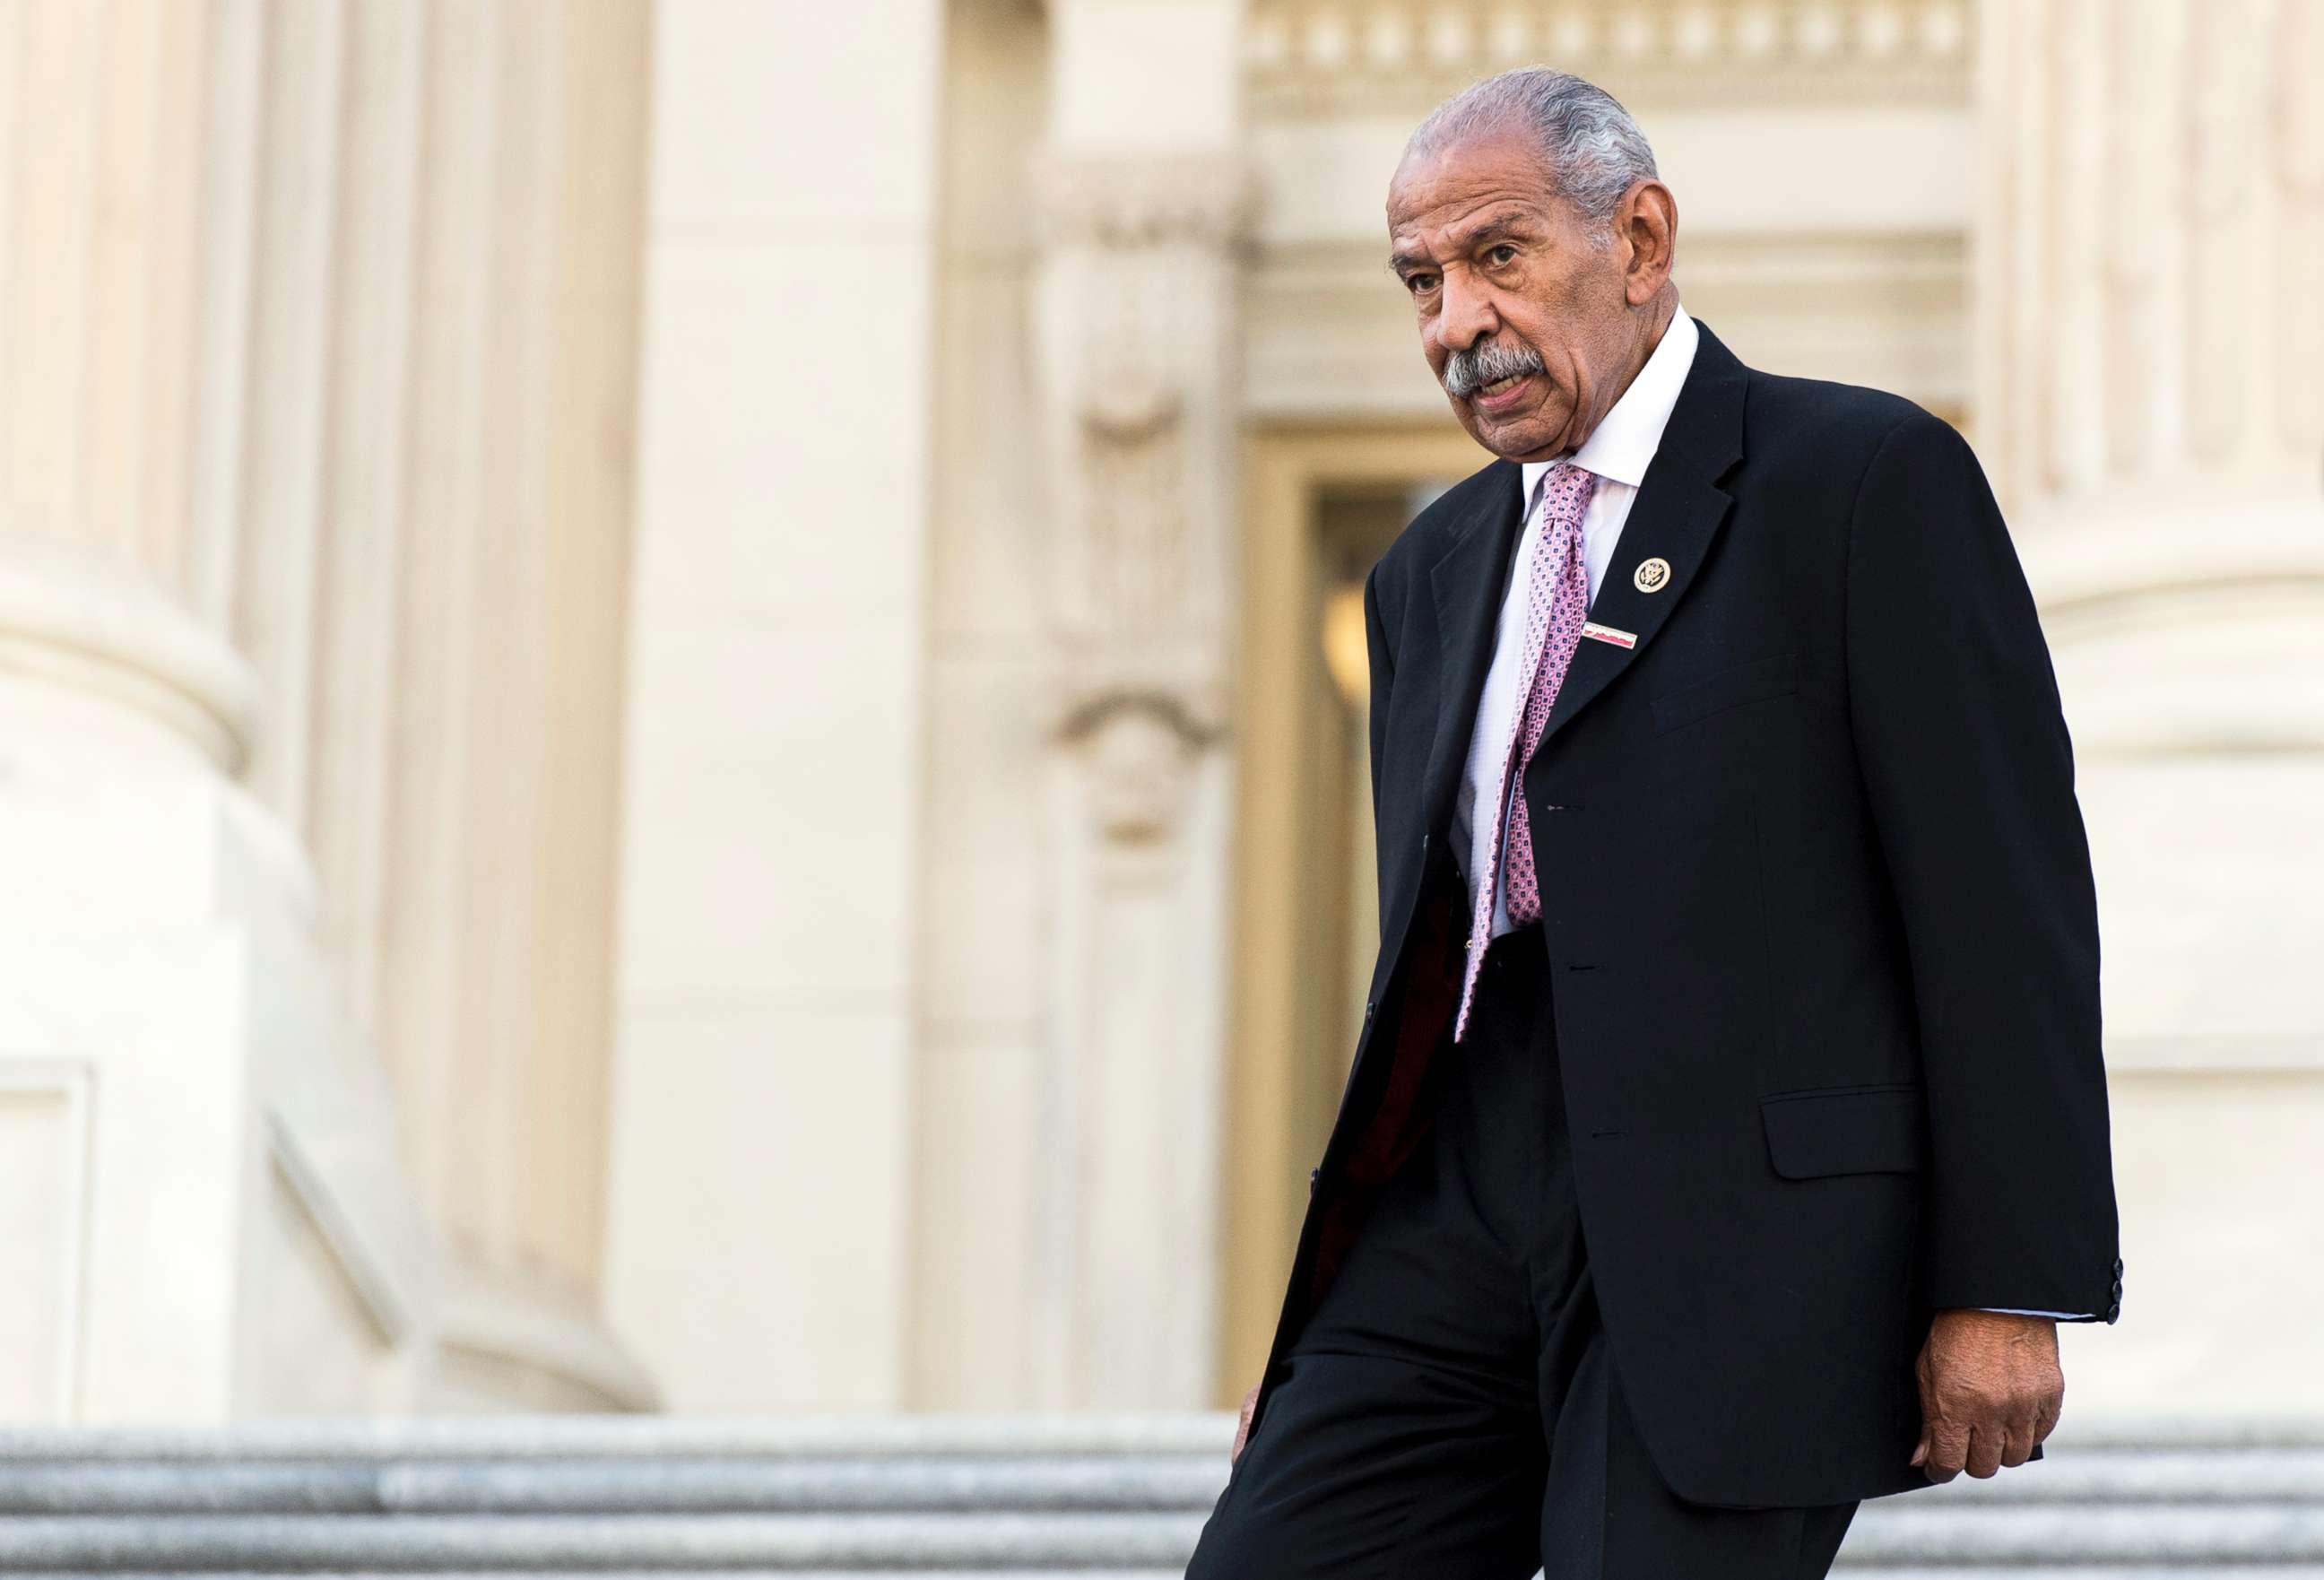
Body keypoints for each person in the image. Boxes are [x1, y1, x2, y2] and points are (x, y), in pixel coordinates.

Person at [1187, 66, 2121, 1579]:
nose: (1454, 324)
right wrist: (1333, 1328)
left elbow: (1999, 903)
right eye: (1421, 281)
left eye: (1500, 258)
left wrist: (2011, 1278)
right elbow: (1429, 963)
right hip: (1457, 1205)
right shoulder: (1422, 577)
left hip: (1738, 1237)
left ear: (1639, 236)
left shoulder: (1863, 481)